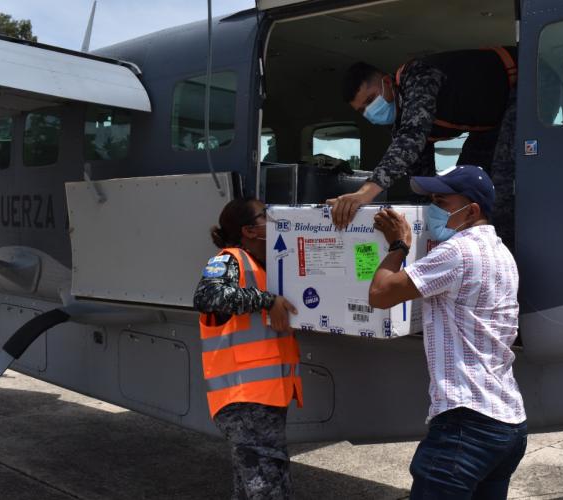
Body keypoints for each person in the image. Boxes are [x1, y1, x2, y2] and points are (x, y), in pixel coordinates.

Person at [368, 165, 527, 499]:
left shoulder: (457, 252)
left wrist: (399, 244)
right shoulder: (502, 253)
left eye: (441, 200)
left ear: (471, 211)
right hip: (508, 424)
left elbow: (380, 294)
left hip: (465, 427)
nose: (432, 208)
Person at [329, 48, 518, 247]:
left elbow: (412, 138)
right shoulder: (398, 121)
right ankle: (466, 251)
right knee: (460, 193)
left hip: (523, 82)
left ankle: (505, 255)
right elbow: (421, 177)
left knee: (502, 184)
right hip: (490, 125)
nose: (369, 111)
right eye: (363, 110)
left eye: (370, 100)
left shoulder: (417, 75)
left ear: (386, 82)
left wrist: (365, 193)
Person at [193, 197, 303, 500]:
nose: (273, 219)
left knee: (257, 484)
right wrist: (268, 300)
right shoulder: (229, 260)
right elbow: (208, 297)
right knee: (268, 487)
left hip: (264, 398)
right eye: (265, 215)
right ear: (249, 230)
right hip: (243, 397)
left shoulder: (266, 266)